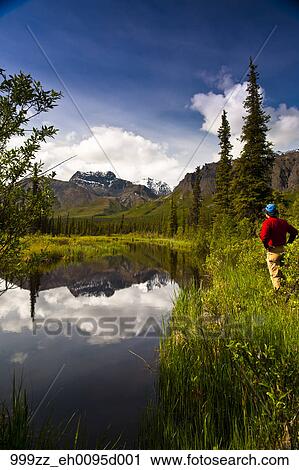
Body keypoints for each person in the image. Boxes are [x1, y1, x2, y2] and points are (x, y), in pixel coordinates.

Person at [260, 203, 298, 290]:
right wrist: (289, 244)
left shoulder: (267, 223)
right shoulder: (283, 222)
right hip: (284, 250)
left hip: (273, 251)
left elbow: (264, 237)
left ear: (267, 214)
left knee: (275, 275)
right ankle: (290, 290)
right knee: (285, 273)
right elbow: (294, 232)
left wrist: (266, 246)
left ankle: (279, 294)